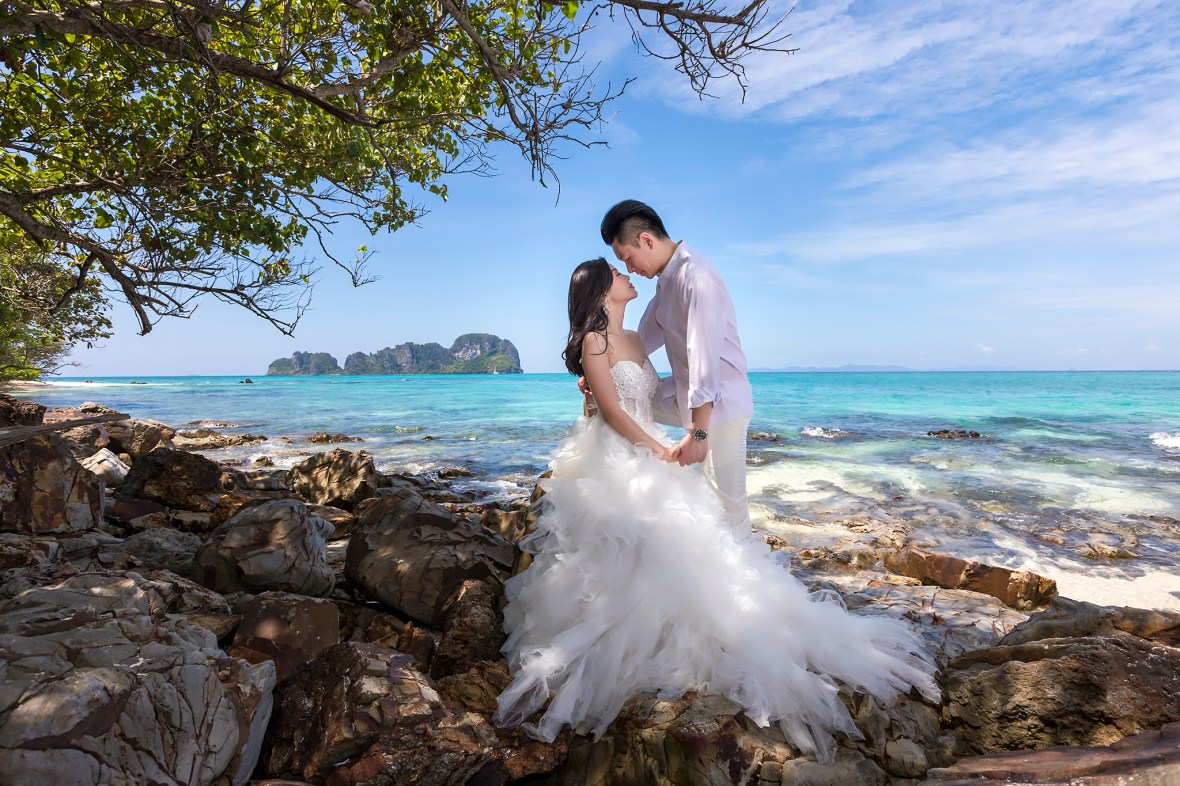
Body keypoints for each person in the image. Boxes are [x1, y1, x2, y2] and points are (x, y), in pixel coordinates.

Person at [493, 257, 939, 762]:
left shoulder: (637, 341)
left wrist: (693, 429)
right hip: (619, 454)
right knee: (625, 546)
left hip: (647, 445)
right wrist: (658, 448)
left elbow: (654, 393)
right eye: (617, 275)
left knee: (694, 544)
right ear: (600, 292)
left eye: (626, 267)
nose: (627, 276)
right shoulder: (594, 343)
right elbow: (612, 412)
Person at [594, 200, 754, 533]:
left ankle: (741, 583)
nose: (629, 268)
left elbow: (704, 363)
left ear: (647, 241)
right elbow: (640, 342)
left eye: (627, 258)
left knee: (728, 508)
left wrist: (698, 434)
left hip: (721, 408)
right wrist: (598, 371)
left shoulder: (695, 279)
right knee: (616, 402)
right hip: (687, 400)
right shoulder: (667, 283)